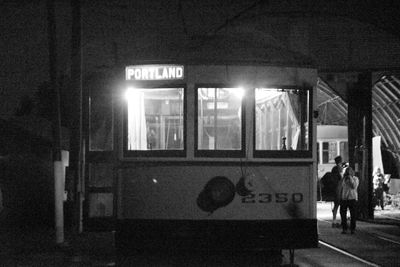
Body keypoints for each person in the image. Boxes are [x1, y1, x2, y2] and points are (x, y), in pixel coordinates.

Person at [339, 166, 359, 234]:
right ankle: (344, 228)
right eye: (347, 171)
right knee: (343, 213)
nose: (348, 173)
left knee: (353, 214)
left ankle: (352, 228)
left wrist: (350, 178)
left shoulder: (355, 178)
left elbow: (354, 186)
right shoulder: (344, 179)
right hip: (344, 198)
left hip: (352, 198)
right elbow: (342, 187)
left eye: (349, 171)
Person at [330, 156, 344, 228]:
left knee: (336, 205)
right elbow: (342, 178)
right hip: (339, 188)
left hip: (334, 189)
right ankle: (342, 221)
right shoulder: (339, 168)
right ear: (340, 161)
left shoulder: (333, 168)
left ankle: (334, 220)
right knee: (341, 205)